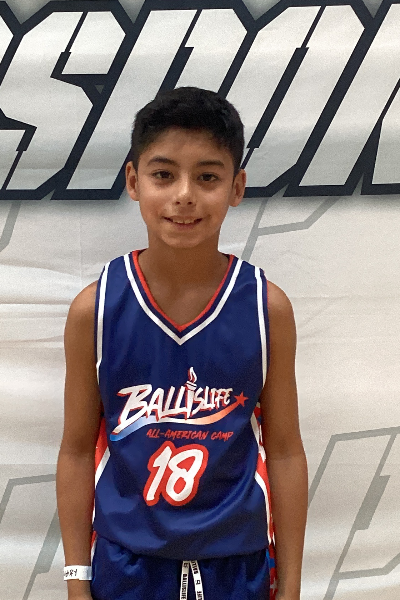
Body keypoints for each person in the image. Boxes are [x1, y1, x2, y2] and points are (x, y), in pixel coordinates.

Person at [56, 86, 308, 600]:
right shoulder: (95, 309)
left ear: (237, 187)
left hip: (237, 564)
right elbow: (77, 451)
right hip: (126, 565)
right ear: (134, 181)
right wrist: (77, 579)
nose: (185, 195)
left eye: (208, 177)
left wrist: (292, 584)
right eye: (164, 174)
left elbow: (284, 451)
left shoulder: (267, 308)